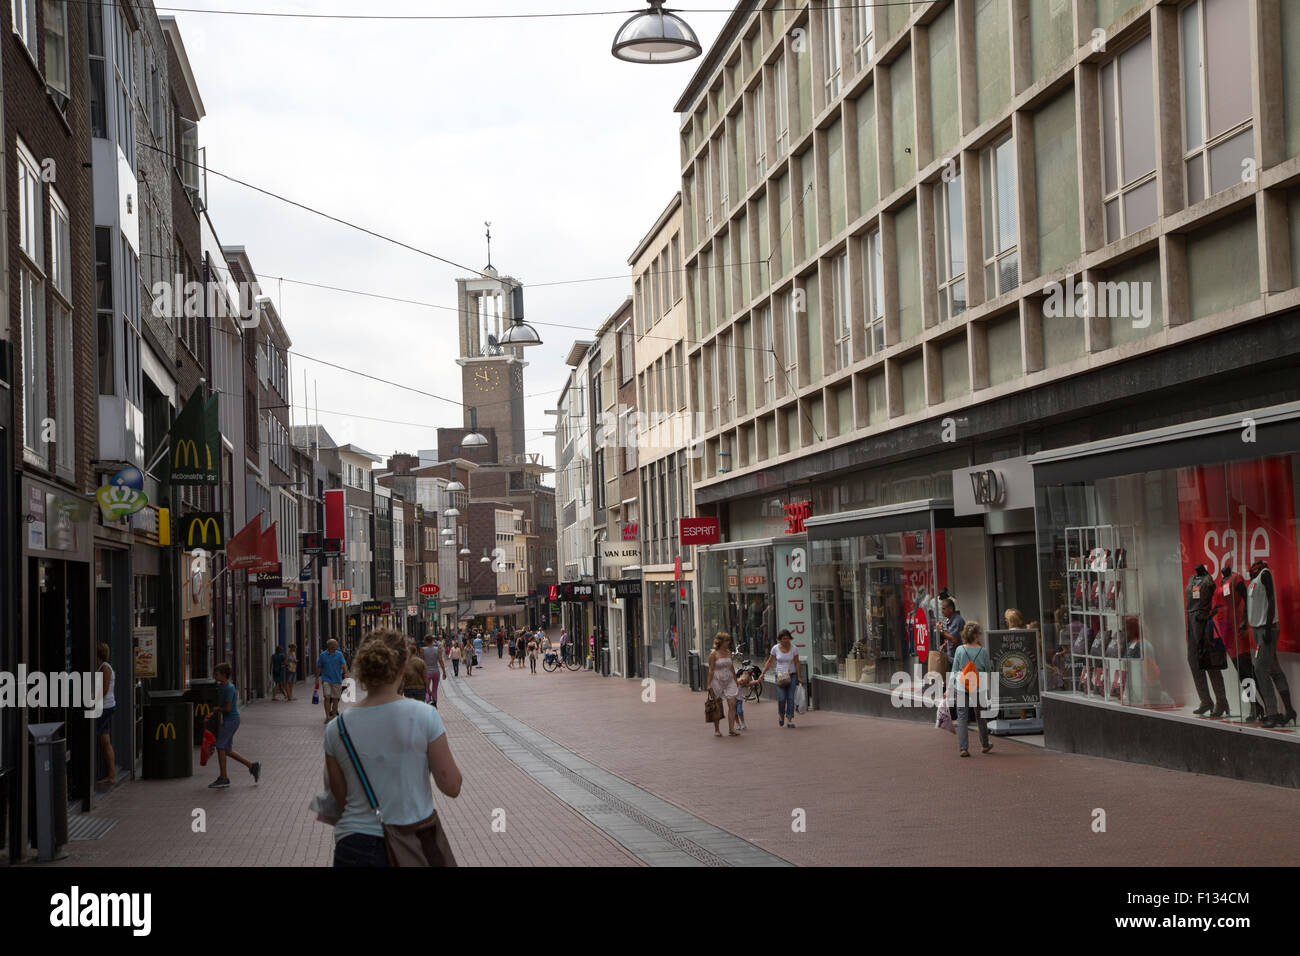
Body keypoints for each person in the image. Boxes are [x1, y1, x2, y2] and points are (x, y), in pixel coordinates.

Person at [324, 629, 463, 867]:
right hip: (411, 841)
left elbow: (339, 798)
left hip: (354, 847)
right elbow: (451, 786)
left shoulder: (337, 728)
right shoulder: (424, 716)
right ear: (402, 669)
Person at [208, 662, 261, 788]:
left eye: (217, 674)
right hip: (230, 720)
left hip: (231, 720)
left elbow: (227, 708)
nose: (215, 676)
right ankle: (252, 766)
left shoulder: (229, 688)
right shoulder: (223, 687)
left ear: (224, 675)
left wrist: (216, 710)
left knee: (220, 746)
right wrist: (213, 713)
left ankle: (224, 777)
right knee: (227, 750)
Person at [950, 621, 993, 758]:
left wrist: (950, 687)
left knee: (962, 717)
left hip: (961, 685)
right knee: (981, 716)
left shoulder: (959, 650)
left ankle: (963, 748)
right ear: (975, 635)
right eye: (979, 633)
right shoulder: (983, 651)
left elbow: (954, 670)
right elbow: (987, 670)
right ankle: (985, 744)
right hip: (978, 686)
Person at [757, 628, 802, 728]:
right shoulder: (775, 648)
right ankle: (781, 715)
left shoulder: (794, 648)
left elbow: (797, 662)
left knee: (790, 698)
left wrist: (799, 676)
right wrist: (762, 673)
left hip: (792, 675)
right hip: (780, 676)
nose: (786, 640)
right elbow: (769, 662)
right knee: (782, 698)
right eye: (783, 639)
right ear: (780, 639)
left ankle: (789, 719)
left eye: (787, 638)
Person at [708, 632, 743, 737]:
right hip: (717, 680)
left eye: (728, 640)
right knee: (717, 705)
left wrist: (736, 680)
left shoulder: (728, 653)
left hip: (729, 680)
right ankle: (717, 730)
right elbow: (711, 670)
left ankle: (731, 729)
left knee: (732, 704)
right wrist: (709, 684)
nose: (728, 642)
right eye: (726, 641)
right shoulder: (713, 654)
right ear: (721, 642)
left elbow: (731, 667)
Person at [95, 643, 117, 788]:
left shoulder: (105, 668)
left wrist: (93, 702)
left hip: (104, 707)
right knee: (105, 741)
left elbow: (104, 689)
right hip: (106, 706)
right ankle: (111, 775)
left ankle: (111, 775)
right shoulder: (104, 667)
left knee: (100, 739)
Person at [318, 639, 349, 723]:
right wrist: (317, 678)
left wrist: (346, 673)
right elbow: (319, 667)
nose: (336, 646)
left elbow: (344, 664)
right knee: (327, 697)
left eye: (336, 645)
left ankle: (334, 715)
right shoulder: (323, 655)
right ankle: (327, 716)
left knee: (335, 699)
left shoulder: (339, 654)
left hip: (337, 679)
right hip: (326, 679)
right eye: (335, 645)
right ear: (330, 646)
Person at [421, 635, 446, 706]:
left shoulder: (423, 649)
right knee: (435, 689)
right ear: (432, 641)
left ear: (425, 641)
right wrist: (444, 672)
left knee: (426, 689)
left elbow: (422, 662)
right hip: (436, 671)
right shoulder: (437, 649)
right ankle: (434, 703)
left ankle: (428, 703)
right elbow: (440, 660)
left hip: (427, 672)